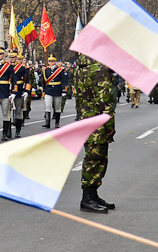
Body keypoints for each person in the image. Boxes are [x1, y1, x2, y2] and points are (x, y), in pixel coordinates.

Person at [73, 54, 116, 213]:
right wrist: (110, 125)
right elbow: (104, 101)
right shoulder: (100, 70)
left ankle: (93, 195)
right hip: (98, 123)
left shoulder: (80, 68)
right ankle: (88, 198)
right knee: (96, 160)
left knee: (93, 158)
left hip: (85, 119)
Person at [40, 55, 68, 128]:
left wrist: (64, 90)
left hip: (57, 90)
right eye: (50, 61)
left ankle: (57, 123)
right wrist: (43, 89)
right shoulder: (45, 70)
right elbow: (43, 80)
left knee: (57, 107)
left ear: (55, 62)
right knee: (48, 106)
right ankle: (47, 122)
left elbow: (64, 81)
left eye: (53, 61)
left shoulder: (60, 70)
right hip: (48, 90)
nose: (51, 63)